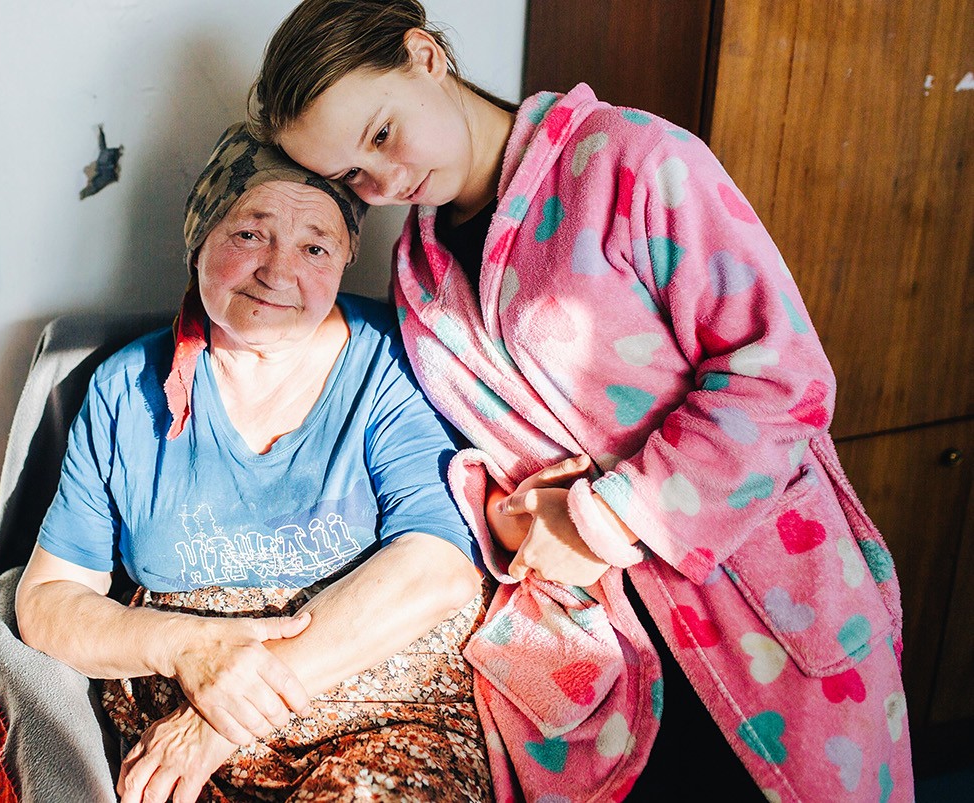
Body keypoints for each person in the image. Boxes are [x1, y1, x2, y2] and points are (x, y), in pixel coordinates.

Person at [249, 1, 914, 801]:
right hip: (605, 645)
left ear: (423, 56)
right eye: (352, 176)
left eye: (382, 134)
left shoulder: (633, 160)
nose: (383, 181)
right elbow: (481, 451)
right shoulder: (417, 274)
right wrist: (506, 515)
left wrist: (603, 520)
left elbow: (778, 377)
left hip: (759, 597)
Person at [14, 123, 492, 803]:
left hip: (383, 726)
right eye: (249, 234)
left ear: (345, 259)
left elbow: (438, 567)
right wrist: (188, 647)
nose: (278, 272)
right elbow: (47, 600)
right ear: (198, 239)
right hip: (181, 746)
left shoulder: (392, 360)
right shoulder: (125, 389)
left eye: (314, 247)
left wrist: (220, 720)